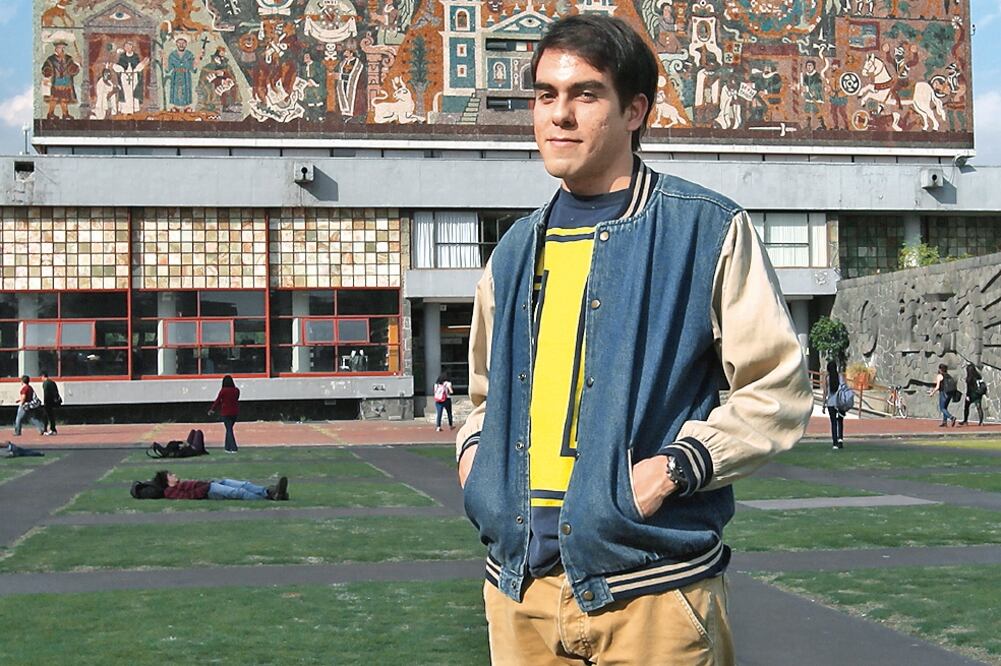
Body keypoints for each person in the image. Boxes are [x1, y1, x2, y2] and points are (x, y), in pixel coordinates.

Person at [455, 15, 812, 664]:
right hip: (517, 591)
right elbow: (482, 394)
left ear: (634, 110)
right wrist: (476, 465)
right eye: (545, 94)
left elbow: (776, 388)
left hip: (653, 589)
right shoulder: (512, 252)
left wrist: (671, 471)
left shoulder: (704, 229)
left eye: (584, 94)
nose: (558, 115)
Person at [153, 470, 289, 501]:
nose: (174, 475)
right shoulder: (169, 491)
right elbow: (189, 496)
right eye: (170, 475)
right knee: (239, 492)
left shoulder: (179, 485)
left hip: (211, 484)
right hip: (209, 490)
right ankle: (269, 497)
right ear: (167, 480)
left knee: (244, 484)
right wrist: (205, 487)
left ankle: (269, 492)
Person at [209, 375, 240, 453]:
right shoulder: (236, 390)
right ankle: (227, 447)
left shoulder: (223, 391)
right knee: (229, 429)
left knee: (229, 430)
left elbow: (218, 400)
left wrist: (212, 409)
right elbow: (236, 399)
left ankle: (233, 447)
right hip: (234, 412)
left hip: (225, 412)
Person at [821, 360, 845, 449]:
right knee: (840, 421)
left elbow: (825, 392)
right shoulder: (840, 376)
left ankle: (835, 443)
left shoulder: (827, 378)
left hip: (831, 403)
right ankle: (840, 439)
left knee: (833, 422)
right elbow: (844, 388)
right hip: (840, 402)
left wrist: (823, 404)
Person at [928, 363, 958, 427]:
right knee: (945, 408)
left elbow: (937, 387)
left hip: (943, 393)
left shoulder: (939, 376)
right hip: (950, 393)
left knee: (942, 408)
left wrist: (932, 393)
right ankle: (944, 422)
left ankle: (951, 417)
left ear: (940, 369)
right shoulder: (948, 375)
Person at [961, 362, 985, 426]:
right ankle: (981, 422)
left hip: (972, 394)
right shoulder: (978, 376)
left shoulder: (969, 378)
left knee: (966, 407)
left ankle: (965, 421)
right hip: (978, 394)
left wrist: (967, 395)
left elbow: (969, 388)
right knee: (979, 407)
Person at [40, 371, 62, 436]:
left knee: (46, 416)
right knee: (50, 416)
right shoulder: (52, 382)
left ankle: (46, 429)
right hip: (53, 402)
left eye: (41, 377)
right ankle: (52, 429)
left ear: (43, 376)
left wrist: (45, 402)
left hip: (48, 402)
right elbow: (56, 392)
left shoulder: (45, 383)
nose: (41, 378)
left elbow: (46, 393)